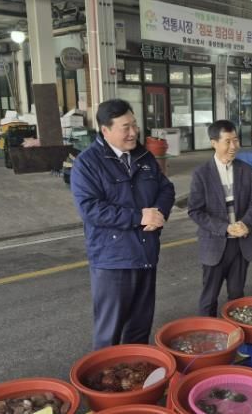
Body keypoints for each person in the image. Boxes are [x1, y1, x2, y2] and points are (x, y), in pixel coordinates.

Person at [71, 99, 175, 350]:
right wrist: (139, 217)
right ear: (105, 130)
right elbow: (90, 209)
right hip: (113, 260)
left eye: (134, 125)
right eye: (125, 127)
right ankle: (104, 376)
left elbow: (166, 188)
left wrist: (158, 213)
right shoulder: (87, 163)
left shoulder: (143, 156)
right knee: (109, 333)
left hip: (146, 255)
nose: (133, 132)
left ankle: (135, 374)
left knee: (139, 328)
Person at [188, 120, 252, 316]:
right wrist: (225, 228)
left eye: (235, 140)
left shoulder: (246, 170)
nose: (233, 146)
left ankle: (234, 332)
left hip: (240, 246)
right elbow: (195, 211)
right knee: (209, 298)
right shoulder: (201, 174)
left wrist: (246, 223)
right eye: (227, 141)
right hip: (215, 244)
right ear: (214, 143)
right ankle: (208, 333)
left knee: (237, 297)